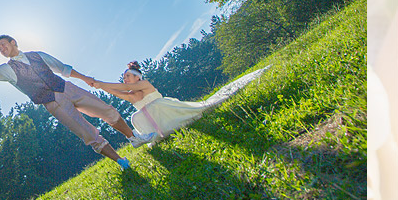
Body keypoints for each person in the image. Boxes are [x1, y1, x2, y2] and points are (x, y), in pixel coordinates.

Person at [0, 35, 155, 170]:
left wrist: (85, 78)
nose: (1, 49)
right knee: (87, 132)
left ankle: (134, 138)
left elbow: (63, 68)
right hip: (52, 103)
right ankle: (121, 161)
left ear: (13, 43)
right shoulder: (7, 70)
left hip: (67, 88)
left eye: (3, 44)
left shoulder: (37, 55)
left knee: (106, 110)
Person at [91, 61, 269, 141]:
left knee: (157, 105)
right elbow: (116, 91)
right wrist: (99, 86)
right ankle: (158, 134)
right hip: (156, 123)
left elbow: (120, 87)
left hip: (167, 110)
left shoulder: (145, 84)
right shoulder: (131, 95)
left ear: (137, 77)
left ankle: (176, 123)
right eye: (124, 77)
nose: (125, 80)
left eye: (128, 76)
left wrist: (101, 82)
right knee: (135, 117)